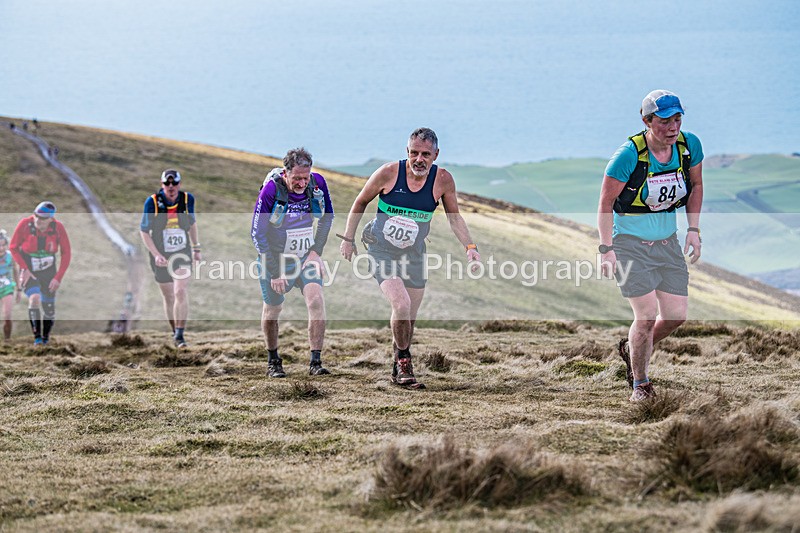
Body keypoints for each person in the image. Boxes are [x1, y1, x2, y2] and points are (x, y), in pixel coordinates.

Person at [339, 128, 481, 389]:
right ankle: (405, 364)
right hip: (381, 249)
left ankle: (397, 365)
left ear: (436, 155)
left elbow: (454, 217)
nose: (419, 159)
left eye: (425, 154)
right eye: (414, 152)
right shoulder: (388, 173)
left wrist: (469, 246)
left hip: (414, 253)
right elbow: (360, 202)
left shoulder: (443, 180)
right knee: (401, 304)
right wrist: (348, 239)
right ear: (407, 152)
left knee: (409, 318)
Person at [597, 90, 704, 402]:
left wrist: (694, 229)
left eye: (677, 119)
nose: (672, 127)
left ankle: (634, 349)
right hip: (629, 244)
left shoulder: (688, 146)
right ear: (647, 120)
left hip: (667, 244)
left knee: (675, 316)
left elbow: (696, 185)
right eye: (664, 121)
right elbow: (605, 202)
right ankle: (640, 384)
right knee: (645, 316)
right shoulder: (628, 155)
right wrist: (606, 249)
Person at [251, 148, 335, 377]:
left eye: (305, 178)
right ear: (285, 173)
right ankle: (273, 361)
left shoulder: (317, 184)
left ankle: (315, 362)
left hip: (305, 257)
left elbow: (328, 217)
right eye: (296, 178)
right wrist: (274, 271)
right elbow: (257, 234)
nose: (301, 183)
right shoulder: (271, 190)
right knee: (273, 309)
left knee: (316, 299)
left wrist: (316, 252)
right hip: (275, 259)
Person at [140, 169, 201, 348]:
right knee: (169, 298)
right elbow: (144, 231)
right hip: (160, 255)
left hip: (182, 253)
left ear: (180, 184)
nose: (171, 187)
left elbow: (192, 224)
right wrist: (156, 255)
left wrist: (196, 248)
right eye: (167, 183)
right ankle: (175, 333)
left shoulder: (187, 200)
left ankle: (180, 335)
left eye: (174, 183)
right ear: (162, 185)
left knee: (179, 291)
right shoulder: (152, 203)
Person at [9, 202, 72, 345]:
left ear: (51, 219)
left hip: (49, 271)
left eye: (42, 218)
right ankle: (37, 338)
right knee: (35, 298)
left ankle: (46, 338)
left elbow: (66, 253)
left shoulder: (58, 228)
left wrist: (58, 277)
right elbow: (13, 247)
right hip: (29, 270)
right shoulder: (25, 224)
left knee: (48, 307)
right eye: (36, 216)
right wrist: (24, 268)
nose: (38, 220)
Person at [0, 230, 22, 340]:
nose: (1, 248)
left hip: (7, 288)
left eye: (3, 245)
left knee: (7, 316)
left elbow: (16, 271)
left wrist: (19, 289)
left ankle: (7, 340)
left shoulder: (10, 256)